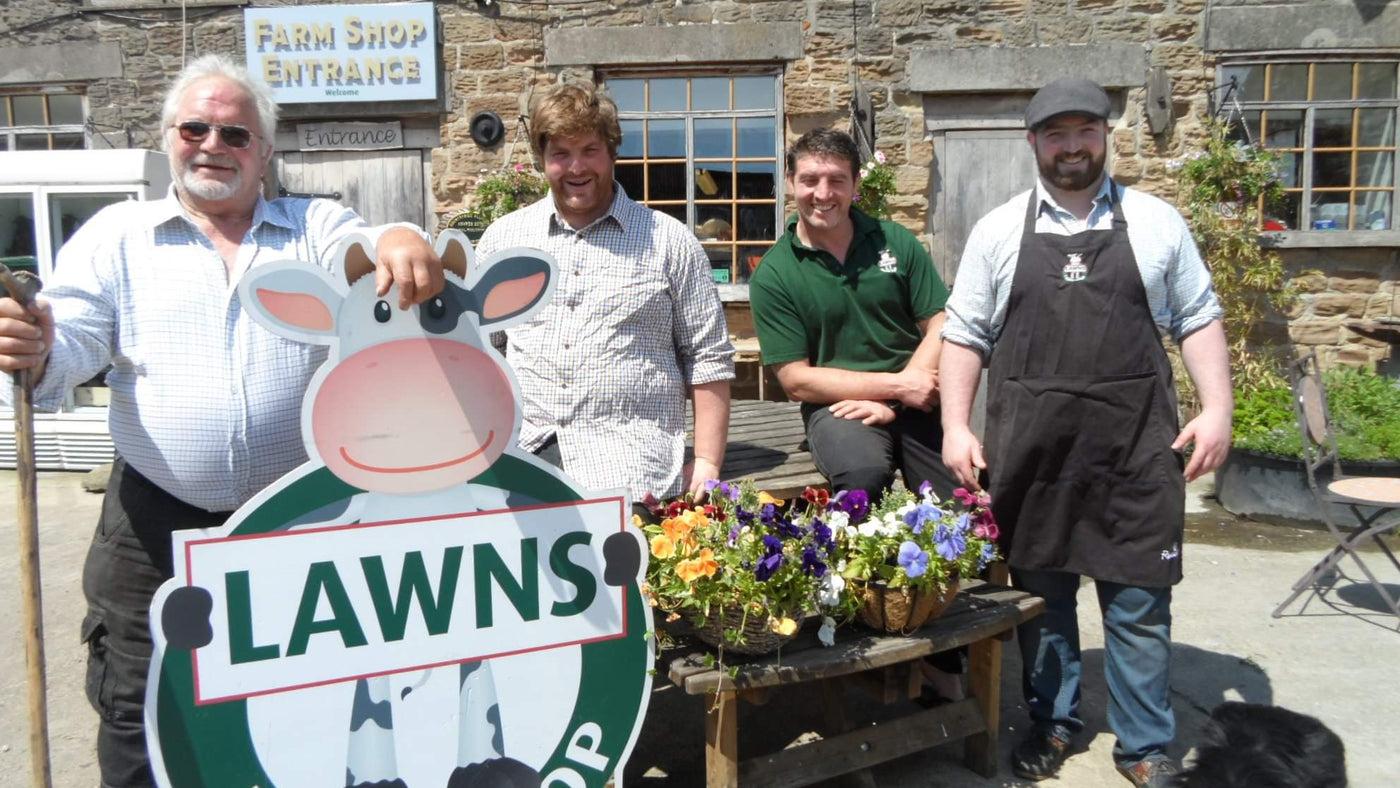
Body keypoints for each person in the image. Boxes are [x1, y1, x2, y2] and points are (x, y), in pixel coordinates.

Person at [0, 54, 444, 788]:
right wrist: (39, 346)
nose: (213, 145)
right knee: (141, 704)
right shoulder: (119, 236)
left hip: (293, 523)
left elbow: (361, 247)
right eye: (195, 127)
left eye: (235, 133)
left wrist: (399, 238)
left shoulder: (310, 224)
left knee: (300, 700)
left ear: (266, 150)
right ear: (169, 135)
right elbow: (71, 342)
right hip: (151, 523)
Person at [939, 79, 1233, 788]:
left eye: (1085, 132)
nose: (1072, 147)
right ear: (1033, 142)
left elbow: (1197, 316)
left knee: (1138, 601)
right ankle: (1054, 723)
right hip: (1034, 453)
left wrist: (1218, 408)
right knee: (1043, 604)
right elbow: (964, 336)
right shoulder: (999, 229)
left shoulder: (1158, 222)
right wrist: (954, 425)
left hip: (1135, 450)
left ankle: (1143, 745)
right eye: (1056, 134)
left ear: (1107, 135)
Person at [474, 83, 733, 509]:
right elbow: (483, 353)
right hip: (523, 456)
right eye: (560, 153)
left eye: (590, 150)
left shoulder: (669, 242)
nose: (576, 167)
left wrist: (706, 459)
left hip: (628, 465)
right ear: (542, 159)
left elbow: (707, 357)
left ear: (612, 152)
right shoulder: (505, 240)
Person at [749, 128, 958, 504]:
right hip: (840, 408)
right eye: (810, 180)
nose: (823, 194)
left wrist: (903, 395)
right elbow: (797, 381)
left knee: (960, 496)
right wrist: (896, 387)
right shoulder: (774, 273)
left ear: (856, 183)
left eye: (837, 181)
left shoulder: (896, 241)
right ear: (790, 181)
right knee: (863, 478)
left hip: (920, 400)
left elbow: (940, 323)